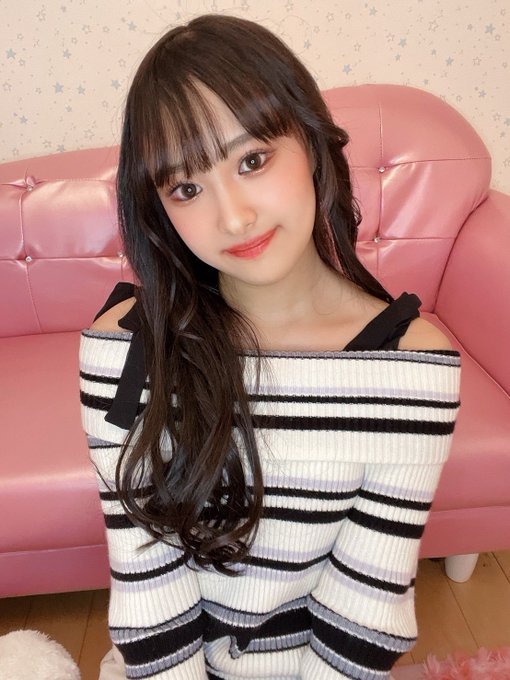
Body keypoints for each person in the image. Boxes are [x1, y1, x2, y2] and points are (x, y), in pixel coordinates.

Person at [79, 13, 461, 680]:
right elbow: (146, 585)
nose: (234, 217)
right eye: (187, 188)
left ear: (310, 144)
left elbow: (366, 605)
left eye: (252, 160)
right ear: (160, 209)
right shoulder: (127, 347)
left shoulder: (411, 364)